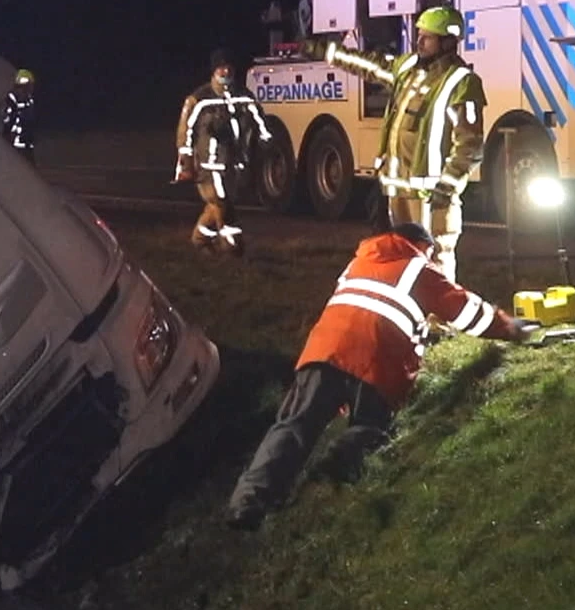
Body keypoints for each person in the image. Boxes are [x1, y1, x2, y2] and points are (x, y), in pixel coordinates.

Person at [223, 222, 526, 531]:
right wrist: (509, 328)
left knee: (292, 426)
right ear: (420, 246)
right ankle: (337, 470)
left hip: (323, 352)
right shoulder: (418, 268)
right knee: (371, 428)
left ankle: (248, 503)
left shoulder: (358, 261)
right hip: (376, 362)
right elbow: (467, 313)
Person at [310, 6, 485, 281]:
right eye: (419, 35)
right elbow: (368, 64)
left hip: (431, 199)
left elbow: (470, 145)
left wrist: (447, 186)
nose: (419, 42)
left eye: (427, 37)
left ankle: (439, 321)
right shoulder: (407, 68)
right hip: (394, 192)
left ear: (448, 42)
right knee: (399, 262)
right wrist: (326, 51)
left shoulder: (462, 82)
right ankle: (407, 319)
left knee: (434, 263)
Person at [173, 50, 271, 255]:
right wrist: (186, 160)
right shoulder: (199, 99)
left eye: (229, 67)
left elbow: (259, 120)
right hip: (208, 165)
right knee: (221, 201)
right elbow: (185, 132)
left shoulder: (244, 96)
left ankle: (199, 239)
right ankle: (233, 245)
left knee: (219, 204)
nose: (225, 70)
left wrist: (265, 141)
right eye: (221, 67)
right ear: (213, 70)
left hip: (234, 163)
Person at [1, 68, 37, 161]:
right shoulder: (10, 101)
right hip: (14, 146)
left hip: (27, 145)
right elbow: (7, 121)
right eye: (27, 87)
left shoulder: (29, 101)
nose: (30, 89)